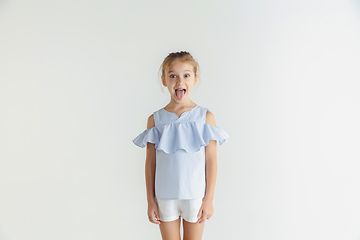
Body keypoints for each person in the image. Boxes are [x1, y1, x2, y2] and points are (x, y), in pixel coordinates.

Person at [132, 51, 229, 240]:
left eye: (186, 75)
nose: (179, 81)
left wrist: (208, 199)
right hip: (165, 196)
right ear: (164, 80)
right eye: (173, 76)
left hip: (195, 196)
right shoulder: (155, 120)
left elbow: (211, 160)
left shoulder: (205, 117)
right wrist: (150, 201)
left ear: (195, 79)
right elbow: (150, 163)